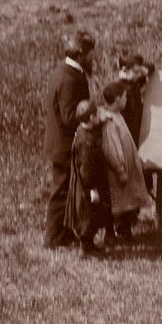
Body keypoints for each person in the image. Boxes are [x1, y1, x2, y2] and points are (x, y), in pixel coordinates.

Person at [43, 30, 95, 249]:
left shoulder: (65, 72)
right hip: (64, 146)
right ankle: (52, 238)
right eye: (90, 54)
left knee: (65, 191)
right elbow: (69, 117)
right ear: (81, 54)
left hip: (61, 144)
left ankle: (63, 234)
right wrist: (91, 118)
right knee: (61, 192)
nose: (92, 58)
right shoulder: (69, 79)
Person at [100, 81, 153, 240]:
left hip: (125, 167)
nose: (126, 99)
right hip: (118, 170)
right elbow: (111, 148)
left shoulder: (117, 115)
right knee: (117, 201)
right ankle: (112, 233)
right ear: (117, 99)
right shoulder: (109, 121)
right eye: (124, 97)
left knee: (126, 199)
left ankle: (123, 230)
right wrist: (120, 169)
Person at [64, 100, 113, 258]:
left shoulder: (83, 130)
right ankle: (86, 248)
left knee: (94, 215)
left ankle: (90, 244)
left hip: (88, 184)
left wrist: (102, 120)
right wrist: (93, 189)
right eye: (97, 114)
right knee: (88, 216)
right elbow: (86, 169)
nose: (100, 116)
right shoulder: (86, 142)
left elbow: (95, 125)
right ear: (91, 117)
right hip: (88, 187)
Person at [117, 53, 155, 146]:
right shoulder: (120, 87)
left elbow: (151, 66)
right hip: (128, 129)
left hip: (137, 124)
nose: (139, 75)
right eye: (136, 72)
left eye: (140, 71)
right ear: (124, 71)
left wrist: (144, 70)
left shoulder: (133, 79)